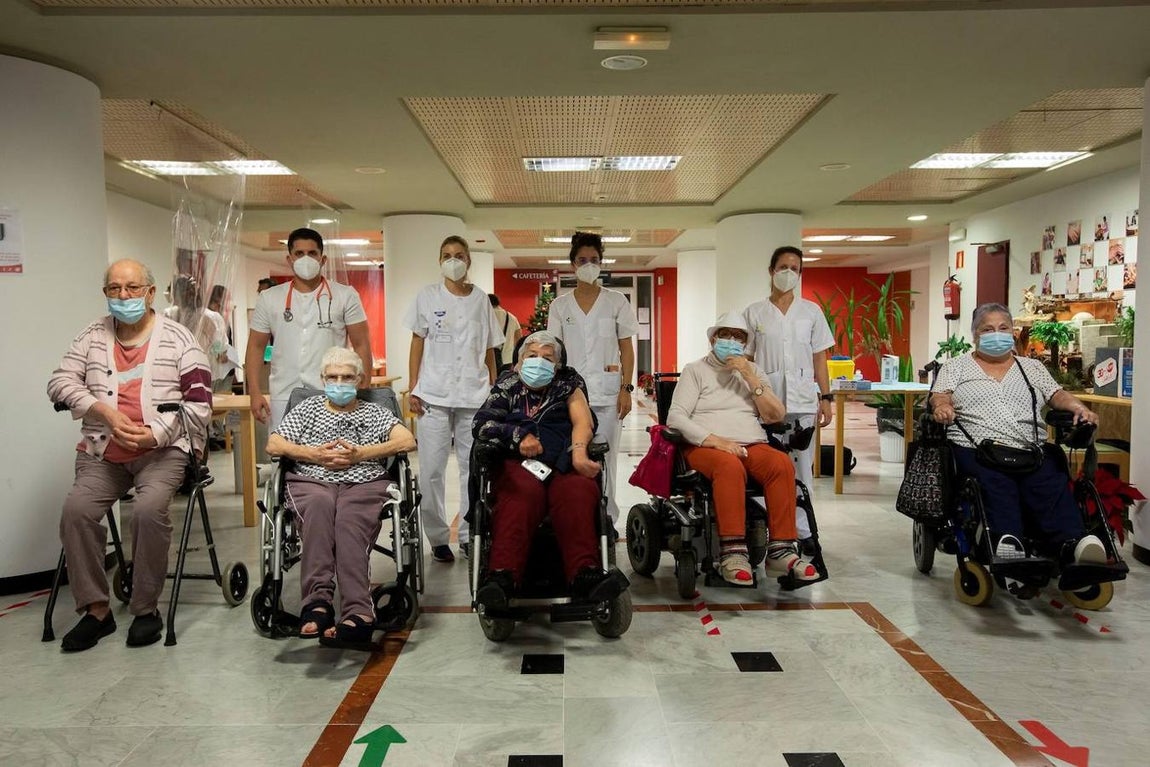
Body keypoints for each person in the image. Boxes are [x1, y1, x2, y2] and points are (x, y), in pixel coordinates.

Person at [46, 259, 213, 652]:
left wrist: (155, 433)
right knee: (76, 511)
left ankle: (145, 609)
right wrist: (101, 410)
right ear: (105, 293)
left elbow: (201, 404)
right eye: (114, 289)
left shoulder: (180, 339)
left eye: (133, 288)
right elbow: (59, 382)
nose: (123, 296)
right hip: (104, 452)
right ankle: (96, 610)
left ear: (150, 293)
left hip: (162, 452)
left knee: (147, 510)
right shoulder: (91, 336)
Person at [931, 303, 1107, 565]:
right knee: (996, 484)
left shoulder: (1031, 368)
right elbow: (940, 395)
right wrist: (942, 407)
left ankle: (1071, 544)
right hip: (977, 447)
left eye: (1003, 327)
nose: (997, 334)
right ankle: (1007, 541)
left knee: (1049, 481)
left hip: (1029, 449)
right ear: (975, 335)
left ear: (1013, 332)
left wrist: (1079, 408)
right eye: (988, 329)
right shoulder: (956, 367)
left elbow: (1057, 394)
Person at [267, 347, 416, 648]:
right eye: (333, 377)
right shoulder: (307, 409)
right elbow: (274, 444)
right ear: (322, 379)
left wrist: (362, 454)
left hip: (364, 481)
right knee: (319, 508)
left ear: (359, 380)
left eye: (347, 377)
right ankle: (317, 604)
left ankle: (359, 612)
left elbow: (407, 440)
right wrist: (314, 455)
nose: (339, 383)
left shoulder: (374, 412)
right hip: (312, 479)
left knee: (349, 520)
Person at [666, 311, 820, 585]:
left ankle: (781, 551)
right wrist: (717, 441)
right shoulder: (695, 370)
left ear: (745, 344)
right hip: (705, 445)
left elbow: (775, 415)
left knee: (781, 464)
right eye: (725, 335)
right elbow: (676, 417)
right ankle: (733, 553)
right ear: (713, 339)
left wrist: (749, 375)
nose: (732, 341)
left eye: (739, 337)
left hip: (750, 442)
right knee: (729, 466)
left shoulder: (754, 372)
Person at [472, 331, 622, 608]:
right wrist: (518, 436)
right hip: (518, 461)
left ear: (558, 365)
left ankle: (584, 574)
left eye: (547, 358)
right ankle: (502, 576)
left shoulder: (569, 384)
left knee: (578, 491)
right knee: (521, 494)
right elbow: (482, 425)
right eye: (532, 356)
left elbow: (583, 422)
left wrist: (579, 453)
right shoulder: (507, 386)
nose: (539, 361)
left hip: (563, 457)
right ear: (518, 363)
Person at [405, 235, 501, 563]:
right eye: (446, 255)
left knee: (471, 468)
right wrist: (414, 386)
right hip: (433, 393)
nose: (453, 260)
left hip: (474, 395)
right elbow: (417, 341)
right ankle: (437, 537)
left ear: (469, 260)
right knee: (431, 470)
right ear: (439, 260)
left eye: (459, 255)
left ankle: (468, 534)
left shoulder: (481, 300)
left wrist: (493, 387)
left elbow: (489, 348)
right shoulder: (427, 296)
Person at [546, 232, 639, 532]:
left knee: (606, 460)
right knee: (574, 456)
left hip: (608, 394)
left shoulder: (616, 301)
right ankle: (578, 518)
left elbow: (626, 348)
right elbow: (553, 351)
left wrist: (626, 389)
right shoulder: (560, 306)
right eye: (582, 260)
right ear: (572, 264)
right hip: (571, 396)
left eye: (594, 259)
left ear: (602, 262)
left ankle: (607, 520)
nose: (588, 265)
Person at [744, 246, 834, 545]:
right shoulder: (754, 312)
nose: (788, 273)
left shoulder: (811, 312)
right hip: (766, 403)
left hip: (803, 402)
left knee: (802, 470)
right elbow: (746, 360)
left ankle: (804, 532)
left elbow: (820, 357)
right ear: (771, 271)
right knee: (768, 469)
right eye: (783, 267)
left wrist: (826, 397)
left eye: (794, 269)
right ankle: (772, 530)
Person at [245, 228, 372, 430]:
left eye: (312, 253)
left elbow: (362, 344)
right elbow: (255, 346)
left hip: (332, 392)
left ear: (323, 259)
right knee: (284, 448)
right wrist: (254, 392)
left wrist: (363, 389)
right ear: (290, 259)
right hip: (284, 393)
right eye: (299, 253)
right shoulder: (269, 298)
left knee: (333, 447)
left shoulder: (345, 295)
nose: (306, 259)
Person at [489, 293, 522, 374]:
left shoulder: (485, 316)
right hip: (507, 358)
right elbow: (519, 339)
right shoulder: (512, 317)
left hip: (488, 359)